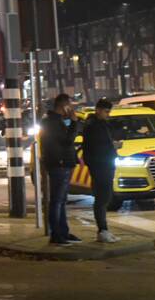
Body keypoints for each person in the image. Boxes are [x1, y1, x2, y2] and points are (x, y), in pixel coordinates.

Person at [41, 93, 81, 245]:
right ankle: (56, 235)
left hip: (62, 163)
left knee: (61, 200)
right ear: (63, 106)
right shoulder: (53, 122)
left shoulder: (55, 121)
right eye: (69, 105)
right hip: (60, 164)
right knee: (57, 201)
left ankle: (63, 232)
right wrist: (74, 123)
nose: (71, 109)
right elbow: (67, 140)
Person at [81, 98, 120, 243]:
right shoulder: (92, 125)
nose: (108, 114)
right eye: (106, 111)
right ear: (98, 110)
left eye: (109, 112)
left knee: (105, 197)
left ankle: (104, 230)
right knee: (102, 198)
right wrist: (113, 147)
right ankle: (102, 230)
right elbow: (96, 146)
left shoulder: (102, 124)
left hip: (105, 165)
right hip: (100, 166)